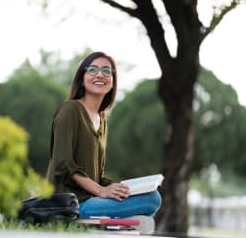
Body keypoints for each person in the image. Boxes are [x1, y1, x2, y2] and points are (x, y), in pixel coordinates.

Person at [46, 51, 161, 219]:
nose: (100, 74)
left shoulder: (102, 120)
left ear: (113, 81)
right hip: (70, 204)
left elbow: (97, 176)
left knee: (150, 194)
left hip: (91, 198)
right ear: (82, 78)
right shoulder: (70, 109)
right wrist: (101, 190)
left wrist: (120, 188)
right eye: (92, 70)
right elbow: (63, 165)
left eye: (107, 71)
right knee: (151, 200)